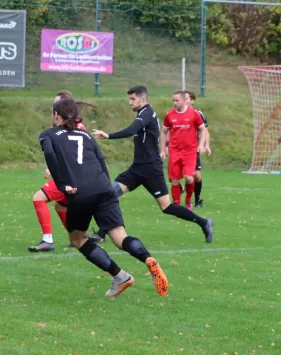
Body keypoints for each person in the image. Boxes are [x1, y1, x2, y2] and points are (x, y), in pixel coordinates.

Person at [40, 98, 169, 298]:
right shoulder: (86, 135)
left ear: (56, 115)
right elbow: (101, 161)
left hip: (79, 193)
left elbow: (49, 153)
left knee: (78, 239)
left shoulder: (48, 134)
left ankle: (120, 276)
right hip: (104, 189)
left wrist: (63, 183)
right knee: (121, 238)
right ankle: (148, 259)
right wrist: (106, 188)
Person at [91, 85, 213, 244]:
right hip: (137, 169)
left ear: (143, 99)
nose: (130, 102)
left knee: (167, 207)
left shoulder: (146, 113)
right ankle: (101, 234)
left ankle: (204, 223)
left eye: (133, 99)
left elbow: (131, 130)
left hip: (150, 169)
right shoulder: (143, 113)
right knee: (110, 195)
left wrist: (108, 136)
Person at [29, 90, 96, 252]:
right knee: (61, 206)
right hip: (79, 176)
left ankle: (47, 240)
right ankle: (78, 238)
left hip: (71, 178)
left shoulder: (71, 128)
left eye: (56, 104)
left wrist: (54, 169)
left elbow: (72, 155)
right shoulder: (74, 127)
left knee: (38, 199)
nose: (54, 108)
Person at [160, 90, 209, 210]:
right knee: (175, 180)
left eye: (177, 100)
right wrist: (162, 149)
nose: (174, 103)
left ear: (183, 100)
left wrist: (202, 145)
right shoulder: (169, 115)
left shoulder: (194, 114)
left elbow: (203, 129)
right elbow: (164, 132)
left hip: (190, 151)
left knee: (189, 177)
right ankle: (176, 205)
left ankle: (188, 199)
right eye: (173, 100)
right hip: (175, 151)